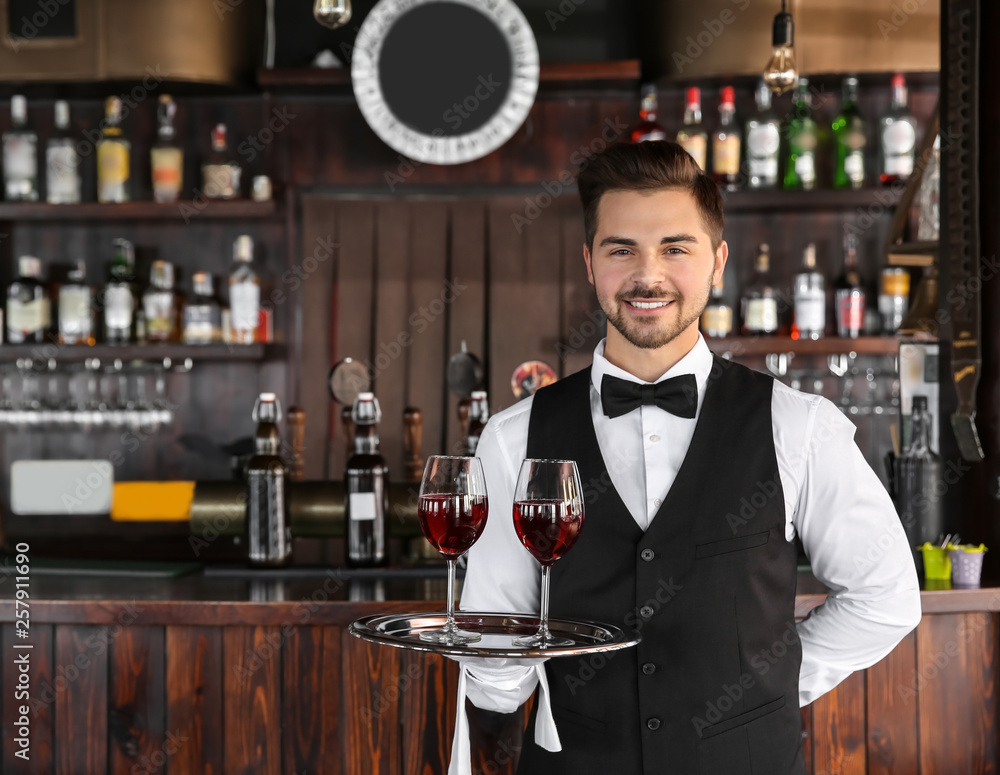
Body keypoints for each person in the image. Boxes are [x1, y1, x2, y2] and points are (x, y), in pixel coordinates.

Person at [449, 140, 922, 775]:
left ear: (718, 262)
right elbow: (496, 648)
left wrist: (764, 684)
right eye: (621, 250)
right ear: (589, 262)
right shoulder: (514, 438)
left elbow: (884, 594)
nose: (649, 275)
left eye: (676, 247)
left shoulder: (798, 425)